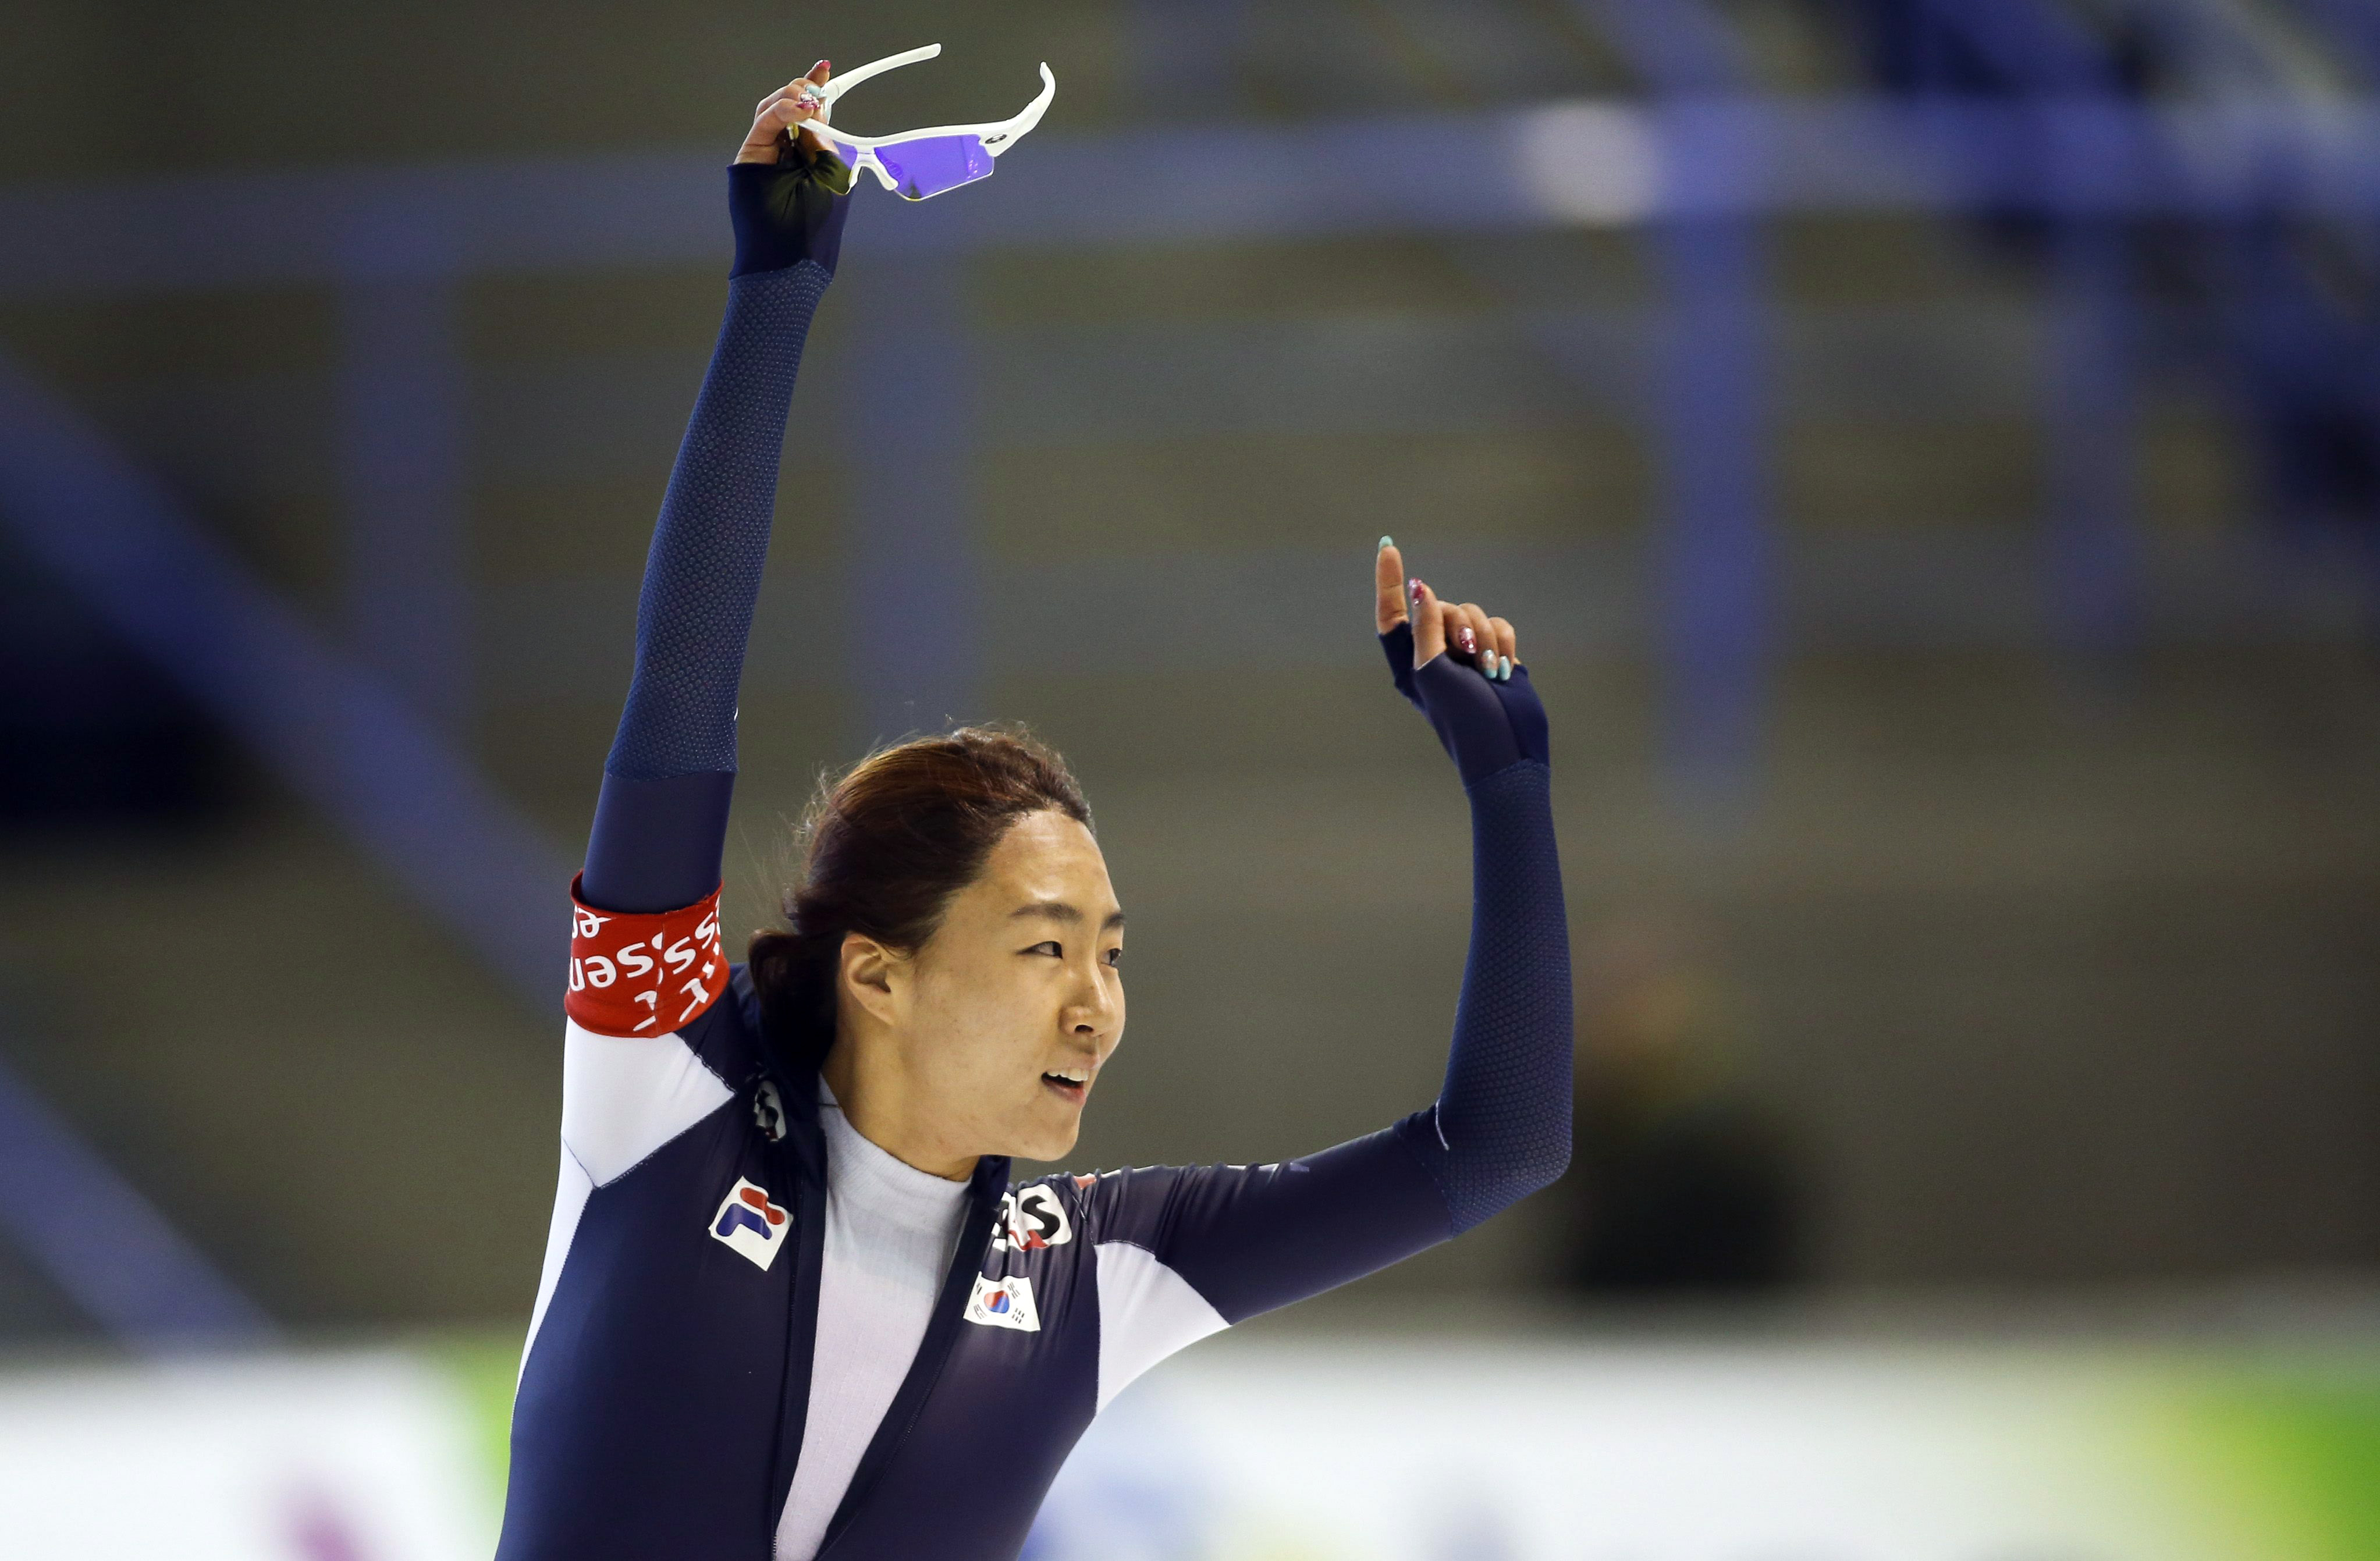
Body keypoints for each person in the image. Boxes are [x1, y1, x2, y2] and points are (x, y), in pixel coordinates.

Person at [496, 60, 1573, 1561]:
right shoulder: (661, 1085)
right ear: (879, 968)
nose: (1098, 1009)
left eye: (1113, 956)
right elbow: (681, 698)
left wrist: (1509, 786)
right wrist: (777, 289)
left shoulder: (1093, 1273)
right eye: (1046, 948)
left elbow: (1496, 1153)